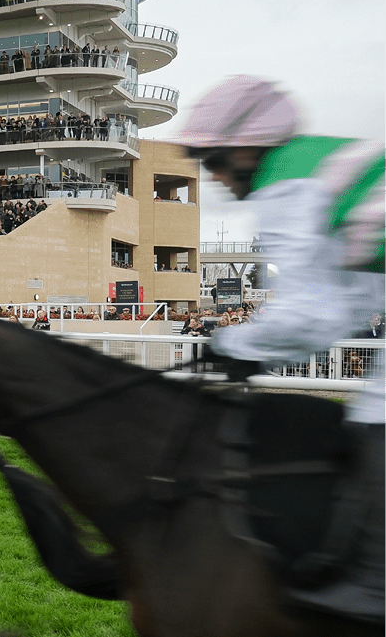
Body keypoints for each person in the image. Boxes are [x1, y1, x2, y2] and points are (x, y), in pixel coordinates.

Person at [172, 74, 385, 622]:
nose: (215, 177)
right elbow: (346, 305)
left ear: (247, 147)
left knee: (378, 410)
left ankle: (375, 591)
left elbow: (308, 313)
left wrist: (231, 343)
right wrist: (250, 347)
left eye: (214, 160)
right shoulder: (324, 164)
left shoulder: (286, 182)